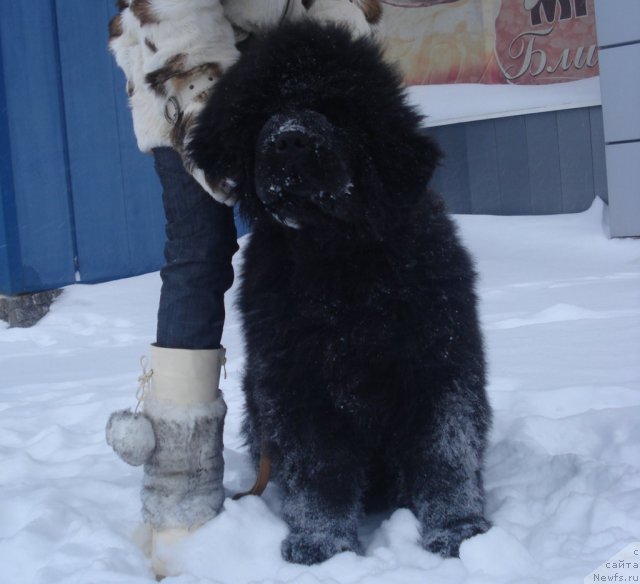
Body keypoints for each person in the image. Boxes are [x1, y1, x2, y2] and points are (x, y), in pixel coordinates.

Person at [105, 0, 381, 576]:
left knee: (319, 242)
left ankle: (340, 435)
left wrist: (344, 77)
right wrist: (221, 150)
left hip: (276, 81)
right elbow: (180, 23)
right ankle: (178, 488)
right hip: (183, 78)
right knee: (198, 256)